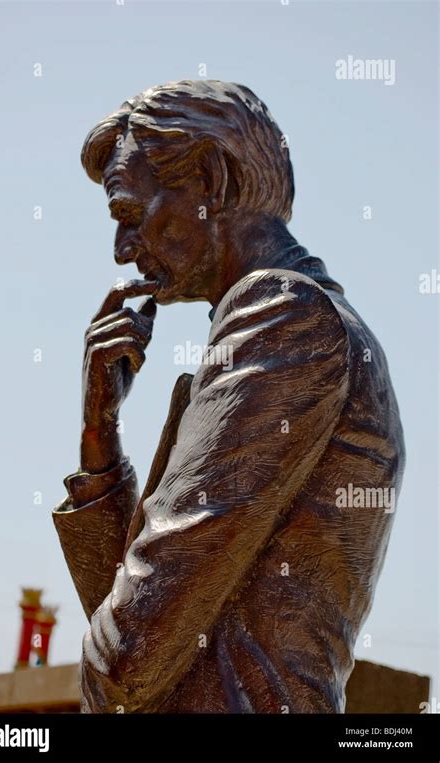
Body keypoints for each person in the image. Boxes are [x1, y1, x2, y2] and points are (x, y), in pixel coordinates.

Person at [52, 80, 405, 713]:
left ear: (211, 179)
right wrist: (99, 443)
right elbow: (138, 627)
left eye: (130, 214)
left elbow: (129, 659)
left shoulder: (281, 315)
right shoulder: (294, 319)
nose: (123, 251)